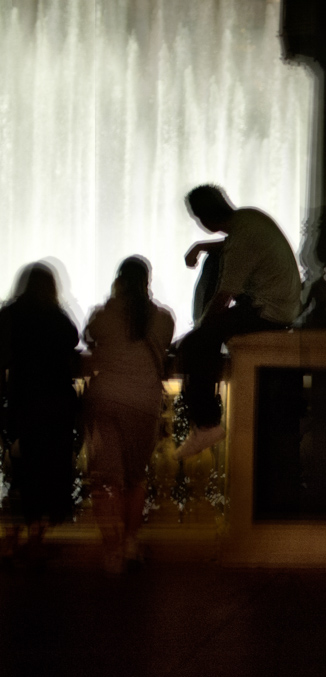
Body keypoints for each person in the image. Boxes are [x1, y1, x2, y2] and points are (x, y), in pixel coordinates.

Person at [176, 184, 302, 459]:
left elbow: (222, 299)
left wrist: (200, 331)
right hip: (283, 307)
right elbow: (235, 245)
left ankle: (206, 424)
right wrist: (201, 246)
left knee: (195, 345)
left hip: (267, 312)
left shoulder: (240, 242)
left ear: (204, 220)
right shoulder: (250, 219)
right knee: (205, 336)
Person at [84, 256, 175, 573]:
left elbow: (88, 336)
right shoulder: (163, 318)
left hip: (106, 401)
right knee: (136, 479)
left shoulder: (105, 314)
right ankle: (131, 543)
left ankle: (111, 552)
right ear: (147, 281)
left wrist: (112, 301)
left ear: (119, 280)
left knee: (106, 480)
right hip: (143, 404)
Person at [0, 263, 79, 565]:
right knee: (48, 472)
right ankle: (37, 538)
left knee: (19, 472)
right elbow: (73, 339)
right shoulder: (56, 317)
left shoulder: (10, 315)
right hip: (55, 404)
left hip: (23, 404)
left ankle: (11, 538)